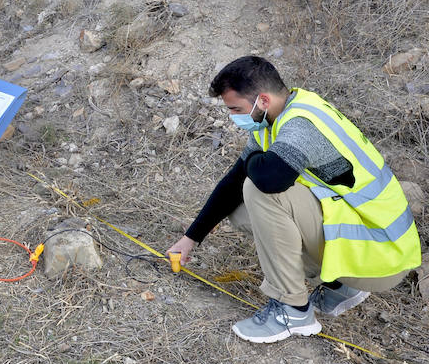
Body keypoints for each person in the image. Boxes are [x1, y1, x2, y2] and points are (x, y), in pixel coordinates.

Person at [166, 55, 421, 345]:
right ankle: (341, 284)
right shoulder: (285, 113)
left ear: (262, 100)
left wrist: (253, 165)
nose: (233, 118)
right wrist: (191, 238)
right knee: (241, 208)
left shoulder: (300, 127)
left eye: (236, 109)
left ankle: (293, 311)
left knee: (256, 191)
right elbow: (234, 181)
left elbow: (267, 180)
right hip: (373, 244)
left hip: (383, 258)